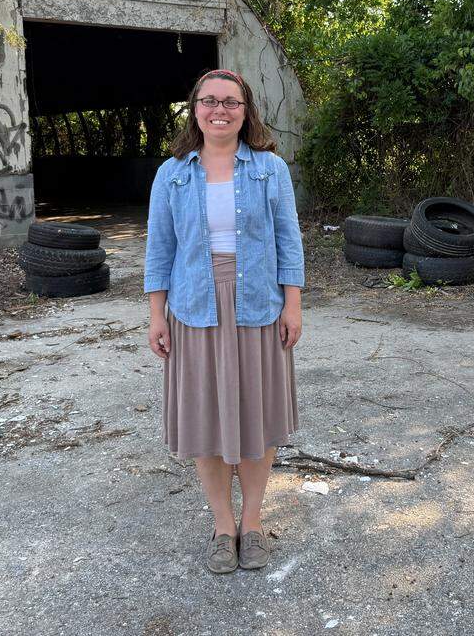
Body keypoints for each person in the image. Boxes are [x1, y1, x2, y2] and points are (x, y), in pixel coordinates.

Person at [143, 68, 304, 574]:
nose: (220, 110)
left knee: (256, 417)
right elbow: (158, 250)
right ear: (194, 109)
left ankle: (252, 524)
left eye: (230, 102)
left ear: (245, 110)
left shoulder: (270, 169)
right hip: (194, 306)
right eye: (210, 101)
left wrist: (293, 303)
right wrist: (156, 315)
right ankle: (222, 527)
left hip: (257, 301)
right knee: (205, 418)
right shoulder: (171, 174)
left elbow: (288, 240)